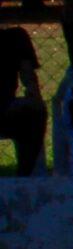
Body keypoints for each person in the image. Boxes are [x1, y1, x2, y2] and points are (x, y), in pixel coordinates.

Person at [1, 26, 44, 175]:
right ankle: (26, 174)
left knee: (34, 111)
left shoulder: (15, 37)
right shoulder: (15, 37)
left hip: (6, 108)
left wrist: (33, 95)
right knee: (34, 112)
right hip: (6, 108)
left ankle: (25, 175)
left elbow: (29, 78)